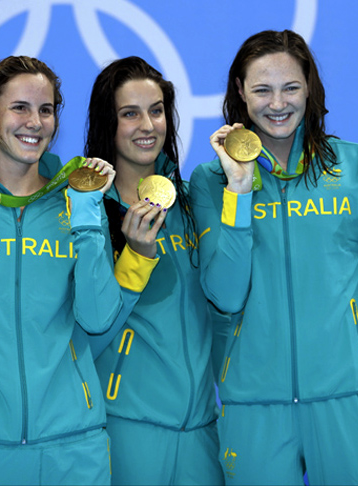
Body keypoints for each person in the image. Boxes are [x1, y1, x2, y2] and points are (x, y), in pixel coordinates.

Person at [190, 29, 358, 485]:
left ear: (311, 89)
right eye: (262, 89)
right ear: (240, 94)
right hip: (252, 407)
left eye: (291, 87)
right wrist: (239, 191)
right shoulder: (209, 182)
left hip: (350, 400)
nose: (277, 103)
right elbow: (223, 294)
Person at [0, 55, 148, 485]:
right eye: (20, 108)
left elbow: (99, 318)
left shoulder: (80, 207)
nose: (35, 122)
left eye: (46, 110)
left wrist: (84, 212)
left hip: (75, 446)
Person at [84, 56, 251, 485]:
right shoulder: (88, 215)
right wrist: (135, 258)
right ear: (108, 122)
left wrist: (239, 191)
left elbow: (229, 296)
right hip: (126, 430)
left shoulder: (194, 203)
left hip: (200, 431)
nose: (147, 125)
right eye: (130, 113)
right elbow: (90, 336)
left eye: (156, 111)